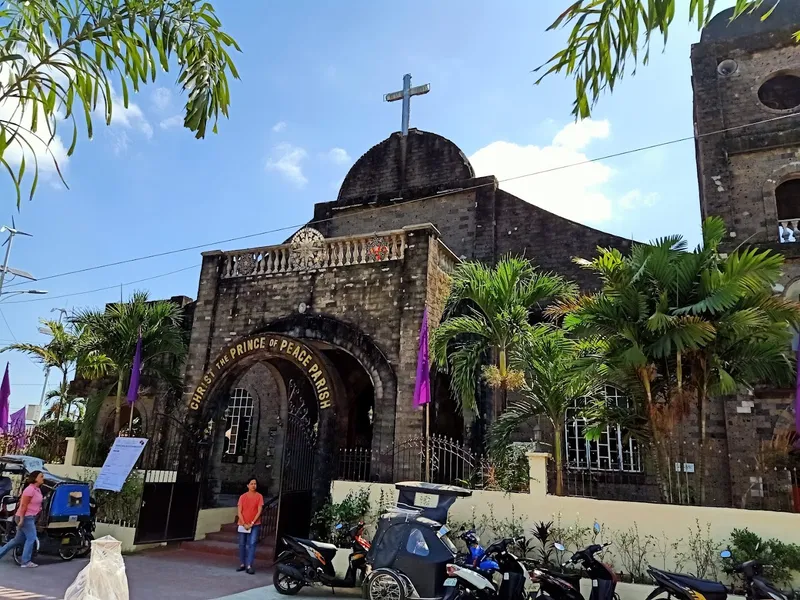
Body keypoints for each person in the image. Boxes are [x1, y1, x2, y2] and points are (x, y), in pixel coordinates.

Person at [0, 470, 44, 568]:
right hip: (25, 517)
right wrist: (22, 519)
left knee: (17, 540)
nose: (43, 478)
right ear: (35, 478)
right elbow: (23, 505)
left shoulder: (37, 489)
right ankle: (25, 561)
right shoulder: (29, 490)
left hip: (30, 517)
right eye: (41, 476)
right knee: (31, 538)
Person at [236, 477, 263, 575]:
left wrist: (251, 523)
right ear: (247, 485)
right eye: (251, 483)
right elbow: (239, 511)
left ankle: (249, 565)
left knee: (252, 544)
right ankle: (242, 563)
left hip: (254, 524)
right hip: (243, 523)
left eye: (255, 484)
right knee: (242, 544)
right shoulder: (243, 497)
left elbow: (259, 511)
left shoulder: (259, 496)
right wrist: (244, 523)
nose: (253, 485)